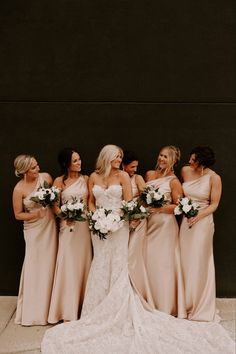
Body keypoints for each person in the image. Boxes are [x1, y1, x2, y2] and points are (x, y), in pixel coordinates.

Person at [41, 144, 234, 354]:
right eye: (116, 156)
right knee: (100, 263)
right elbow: (90, 201)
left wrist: (118, 219)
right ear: (106, 157)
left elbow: (128, 203)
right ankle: (95, 309)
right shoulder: (93, 178)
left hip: (119, 225)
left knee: (118, 264)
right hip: (99, 227)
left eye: (120, 156)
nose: (119, 160)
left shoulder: (124, 176)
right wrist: (96, 217)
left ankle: (119, 308)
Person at [47, 148, 92, 323]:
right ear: (66, 163)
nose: (79, 163)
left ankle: (83, 307)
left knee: (83, 263)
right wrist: (64, 216)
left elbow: (89, 202)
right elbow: (54, 205)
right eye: (75, 161)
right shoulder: (59, 181)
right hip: (67, 227)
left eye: (79, 159)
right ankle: (66, 308)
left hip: (83, 227)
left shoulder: (86, 179)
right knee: (68, 264)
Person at [12, 154, 57, 326]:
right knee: (35, 264)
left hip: (49, 225)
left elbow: (55, 198)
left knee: (50, 263)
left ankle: (50, 308)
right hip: (33, 229)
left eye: (37, 165)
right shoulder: (19, 189)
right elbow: (18, 214)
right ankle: (34, 310)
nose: (38, 169)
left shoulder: (45, 178)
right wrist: (34, 214)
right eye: (33, 167)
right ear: (23, 171)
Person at [179, 146, 222, 321]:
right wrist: (184, 209)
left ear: (202, 162)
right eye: (190, 158)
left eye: (194, 160)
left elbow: (214, 204)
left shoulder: (214, 178)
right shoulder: (184, 171)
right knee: (184, 259)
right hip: (186, 221)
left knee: (199, 261)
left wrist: (198, 216)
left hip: (203, 222)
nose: (190, 162)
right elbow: (179, 195)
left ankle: (199, 304)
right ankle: (184, 303)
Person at [144, 145, 186, 318]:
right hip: (148, 224)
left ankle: (164, 304)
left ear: (173, 161)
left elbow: (178, 207)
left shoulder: (174, 182)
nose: (161, 159)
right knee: (148, 260)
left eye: (166, 157)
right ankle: (148, 300)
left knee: (163, 263)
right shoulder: (149, 175)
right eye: (160, 155)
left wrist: (159, 208)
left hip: (165, 227)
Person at [122, 150, 155, 309]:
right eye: (132, 166)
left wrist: (137, 214)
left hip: (138, 220)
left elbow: (145, 197)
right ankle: (122, 293)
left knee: (133, 256)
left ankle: (137, 292)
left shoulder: (138, 178)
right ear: (123, 165)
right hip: (121, 222)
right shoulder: (117, 179)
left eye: (136, 166)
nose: (135, 169)